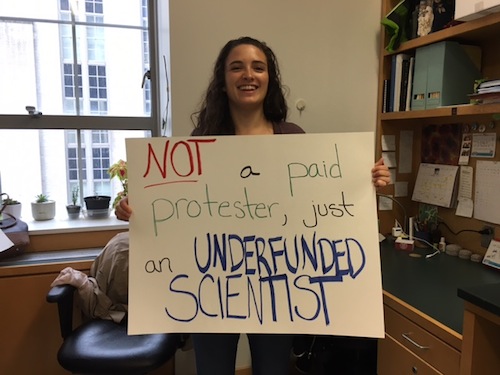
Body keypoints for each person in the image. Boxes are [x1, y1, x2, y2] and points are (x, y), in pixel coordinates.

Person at [115, 36, 391, 375]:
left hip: (277, 286)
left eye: (258, 67)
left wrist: (368, 181)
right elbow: (173, 213)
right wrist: (133, 208)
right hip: (212, 288)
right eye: (237, 67)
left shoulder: (294, 140)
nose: (248, 75)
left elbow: (324, 205)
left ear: (269, 78)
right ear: (223, 80)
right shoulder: (198, 146)